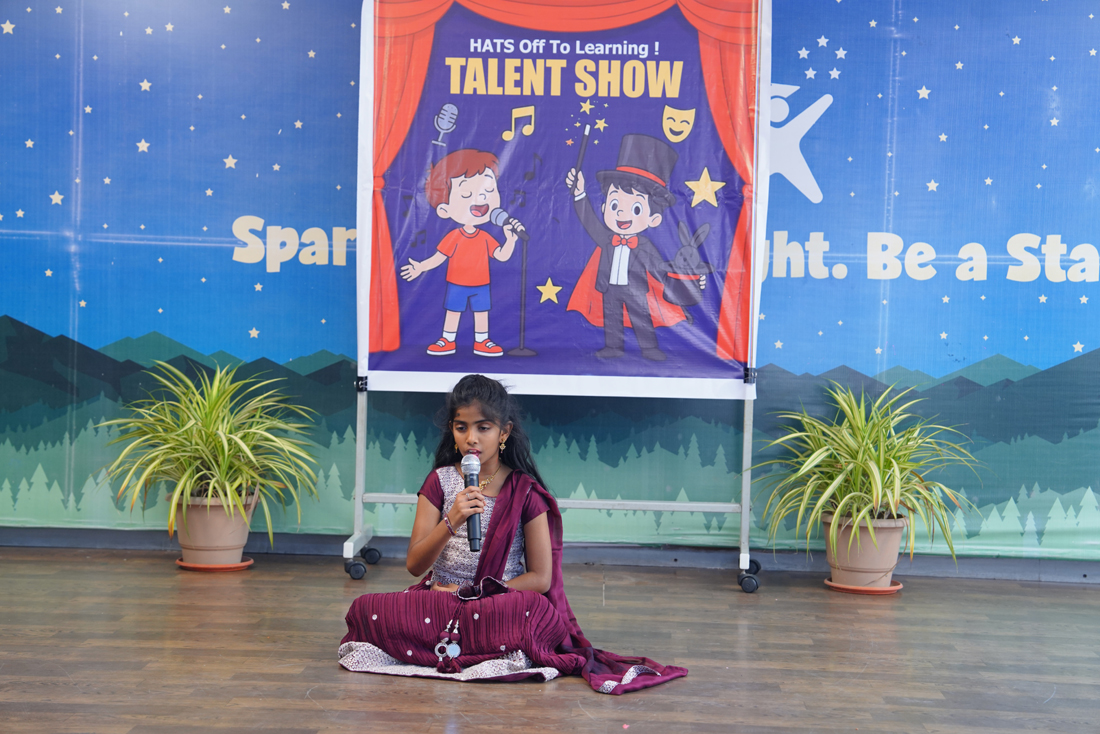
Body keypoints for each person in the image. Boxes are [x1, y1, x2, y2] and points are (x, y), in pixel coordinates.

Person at [339, 375, 687, 694]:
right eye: (461, 427)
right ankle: (480, 648)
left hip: (497, 605)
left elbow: (540, 578)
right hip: (440, 600)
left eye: (483, 427)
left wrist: (476, 594)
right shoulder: (439, 481)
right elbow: (415, 565)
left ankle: (446, 647)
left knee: (534, 610)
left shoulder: (524, 490)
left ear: (503, 432)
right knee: (366, 608)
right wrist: (452, 520)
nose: (471, 438)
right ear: (452, 430)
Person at [399, 150, 522, 357]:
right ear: (444, 210)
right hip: (457, 283)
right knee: (453, 312)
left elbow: (501, 256)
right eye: (466, 194)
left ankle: (482, 341)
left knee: (481, 313)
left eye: (488, 190)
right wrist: (421, 266)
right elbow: (439, 257)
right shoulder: (454, 236)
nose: (481, 198)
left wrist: (510, 241)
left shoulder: (485, 237)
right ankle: (447, 340)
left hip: (481, 284)